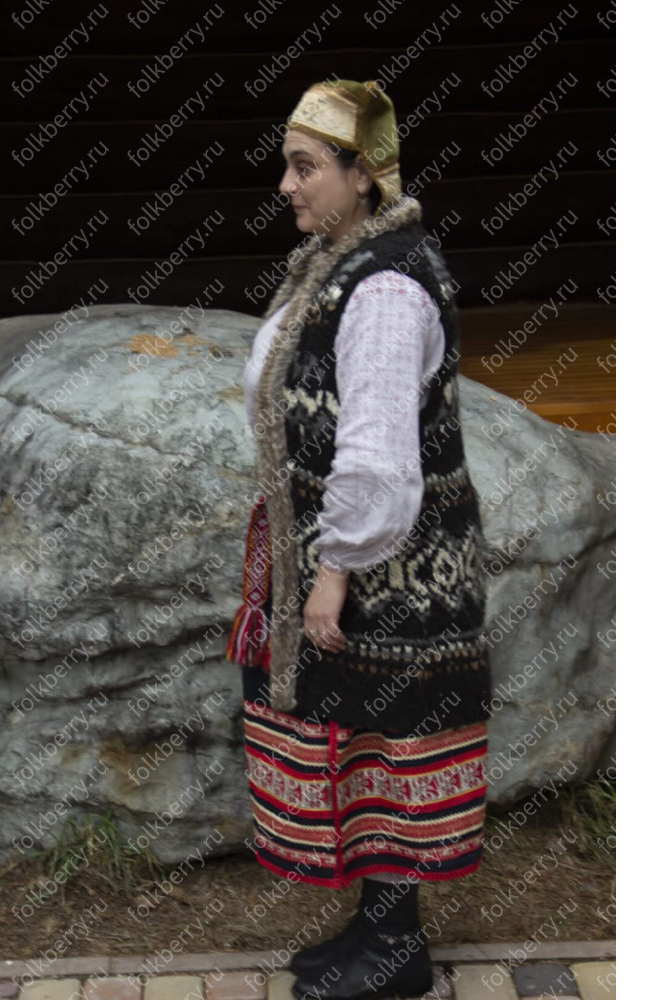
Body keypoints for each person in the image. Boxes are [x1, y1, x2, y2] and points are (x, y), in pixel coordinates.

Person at [225, 79, 491, 1000]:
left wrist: (333, 571)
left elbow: (375, 452)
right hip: (352, 552)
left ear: (362, 173)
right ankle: (380, 930)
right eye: (287, 165)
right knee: (361, 739)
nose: (287, 186)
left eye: (305, 167)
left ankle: (396, 950)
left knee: (388, 738)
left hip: (391, 566)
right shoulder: (338, 262)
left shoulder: (382, 288)